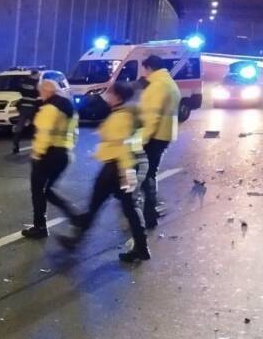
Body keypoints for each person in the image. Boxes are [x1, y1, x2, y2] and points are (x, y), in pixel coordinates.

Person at [56, 82, 150, 261]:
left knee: (116, 207)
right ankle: (141, 248)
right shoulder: (123, 114)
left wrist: (125, 173)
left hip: (117, 168)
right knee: (126, 208)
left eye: (111, 93)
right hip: (117, 167)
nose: (107, 95)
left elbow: (123, 146)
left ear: (118, 97)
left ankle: (76, 240)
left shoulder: (121, 117)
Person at [22, 80, 78, 239]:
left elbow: (44, 133)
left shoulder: (49, 108)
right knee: (49, 190)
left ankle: (40, 227)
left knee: (38, 191)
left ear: (46, 91)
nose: (39, 94)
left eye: (40, 91)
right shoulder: (69, 107)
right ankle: (74, 216)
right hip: (63, 153)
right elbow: (74, 133)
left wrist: (37, 153)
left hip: (48, 154)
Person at [137, 55, 180, 231]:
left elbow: (151, 117)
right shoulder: (169, 82)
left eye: (144, 69)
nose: (143, 74)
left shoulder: (158, 86)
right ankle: (149, 212)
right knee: (149, 174)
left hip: (154, 137)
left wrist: (139, 141)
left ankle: (148, 213)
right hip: (164, 135)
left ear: (149, 68)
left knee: (147, 175)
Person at [12, 73, 40, 154]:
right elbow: (38, 94)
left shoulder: (23, 82)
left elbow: (19, 90)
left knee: (20, 126)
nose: (39, 76)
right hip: (32, 107)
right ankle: (38, 145)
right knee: (36, 126)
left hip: (23, 107)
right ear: (35, 75)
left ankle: (15, 145)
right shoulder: (37, 83)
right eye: (38, 75)